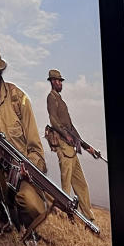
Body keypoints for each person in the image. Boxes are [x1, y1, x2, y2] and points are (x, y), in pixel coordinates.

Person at [0, 38, 48, 237]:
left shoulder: (19, 100)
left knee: (34, 206)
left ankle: (21, 220)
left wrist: (27, 169)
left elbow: (36, 151)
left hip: (21, 175)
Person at [44, 69, 99, 222]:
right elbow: (54, 121)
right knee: (66, 184)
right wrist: (66, 135)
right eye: (57, 81)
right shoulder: (51, 98)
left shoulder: (61, 101)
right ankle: (63, 215)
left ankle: (88, 217)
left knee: (81, 184)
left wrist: (87, 147)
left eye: (61, 81)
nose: (60, 83)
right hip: (64, 146)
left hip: (71, 148)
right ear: (52, 82)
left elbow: (71, 127)